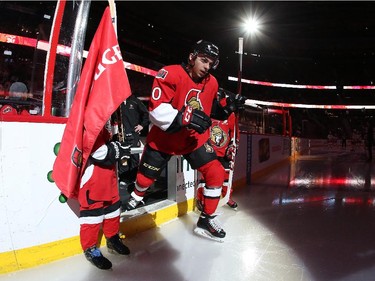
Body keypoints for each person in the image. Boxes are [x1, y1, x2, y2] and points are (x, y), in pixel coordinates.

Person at [123, 39, 245, 242]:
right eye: (204, 60)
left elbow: (210, 112)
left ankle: (206, 219)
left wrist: (228, 109)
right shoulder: (169, 73)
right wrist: (183, 117)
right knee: (144, 180)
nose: (207, 67)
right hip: (164, 140)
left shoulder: (212, 82)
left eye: (211, 63)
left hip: (192, 140)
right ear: (192, 57)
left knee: (215, 173)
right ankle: (137, 196)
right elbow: (156, 110)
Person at [79, 123, 132, 270]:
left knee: (113, 208)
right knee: (92, 214)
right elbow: (98, 153)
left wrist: (120, 142)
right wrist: (118, 149)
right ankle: (90, 248)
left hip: (109, 175)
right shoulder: (89, 120)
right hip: (92, 177)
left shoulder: (105, 120)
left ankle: (112, 238)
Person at [196, 90, 240, 212]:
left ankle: (227, 197)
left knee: (226, 175)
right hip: (209, 150)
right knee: (205, 176)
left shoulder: (230, 114)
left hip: (224, 151)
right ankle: (201, 199)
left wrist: (233, 144)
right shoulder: (207, 111)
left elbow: (234, 131)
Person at [117, 94, 150, 190]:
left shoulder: (135, 101)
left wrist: (142, 125)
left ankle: (133, 178)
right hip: (121, 134)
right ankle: (124, 178)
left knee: (134, 156)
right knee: (123, 156)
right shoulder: (117, 103)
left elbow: (146, 114)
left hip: (133, 133)